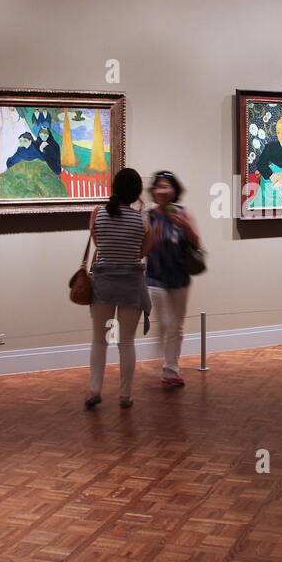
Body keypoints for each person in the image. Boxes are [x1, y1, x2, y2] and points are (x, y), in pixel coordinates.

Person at [86, 168, 154, 408]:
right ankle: (125, 394)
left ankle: (94, 390)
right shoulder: (142, 220)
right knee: (126, 343)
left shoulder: (98, 214)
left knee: (99, 341)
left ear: (114, 187)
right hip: (131, 286)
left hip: (103, 285)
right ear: (136, 192)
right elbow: (142, 252)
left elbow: (98, 244)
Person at [146, 171, 201, 388]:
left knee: (176, 325)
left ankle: (171, 370)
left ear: (174, 190)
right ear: (153, 191)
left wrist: (184, 225)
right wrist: (154, 233)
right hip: (154, 277)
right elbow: (143, 249)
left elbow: (196, 242)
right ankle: (165, 357)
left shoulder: (183, 213)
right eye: (159, 186)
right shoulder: (148, 216)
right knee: (167, 322)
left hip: (180, 276)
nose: (163, 190)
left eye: (167, 186)